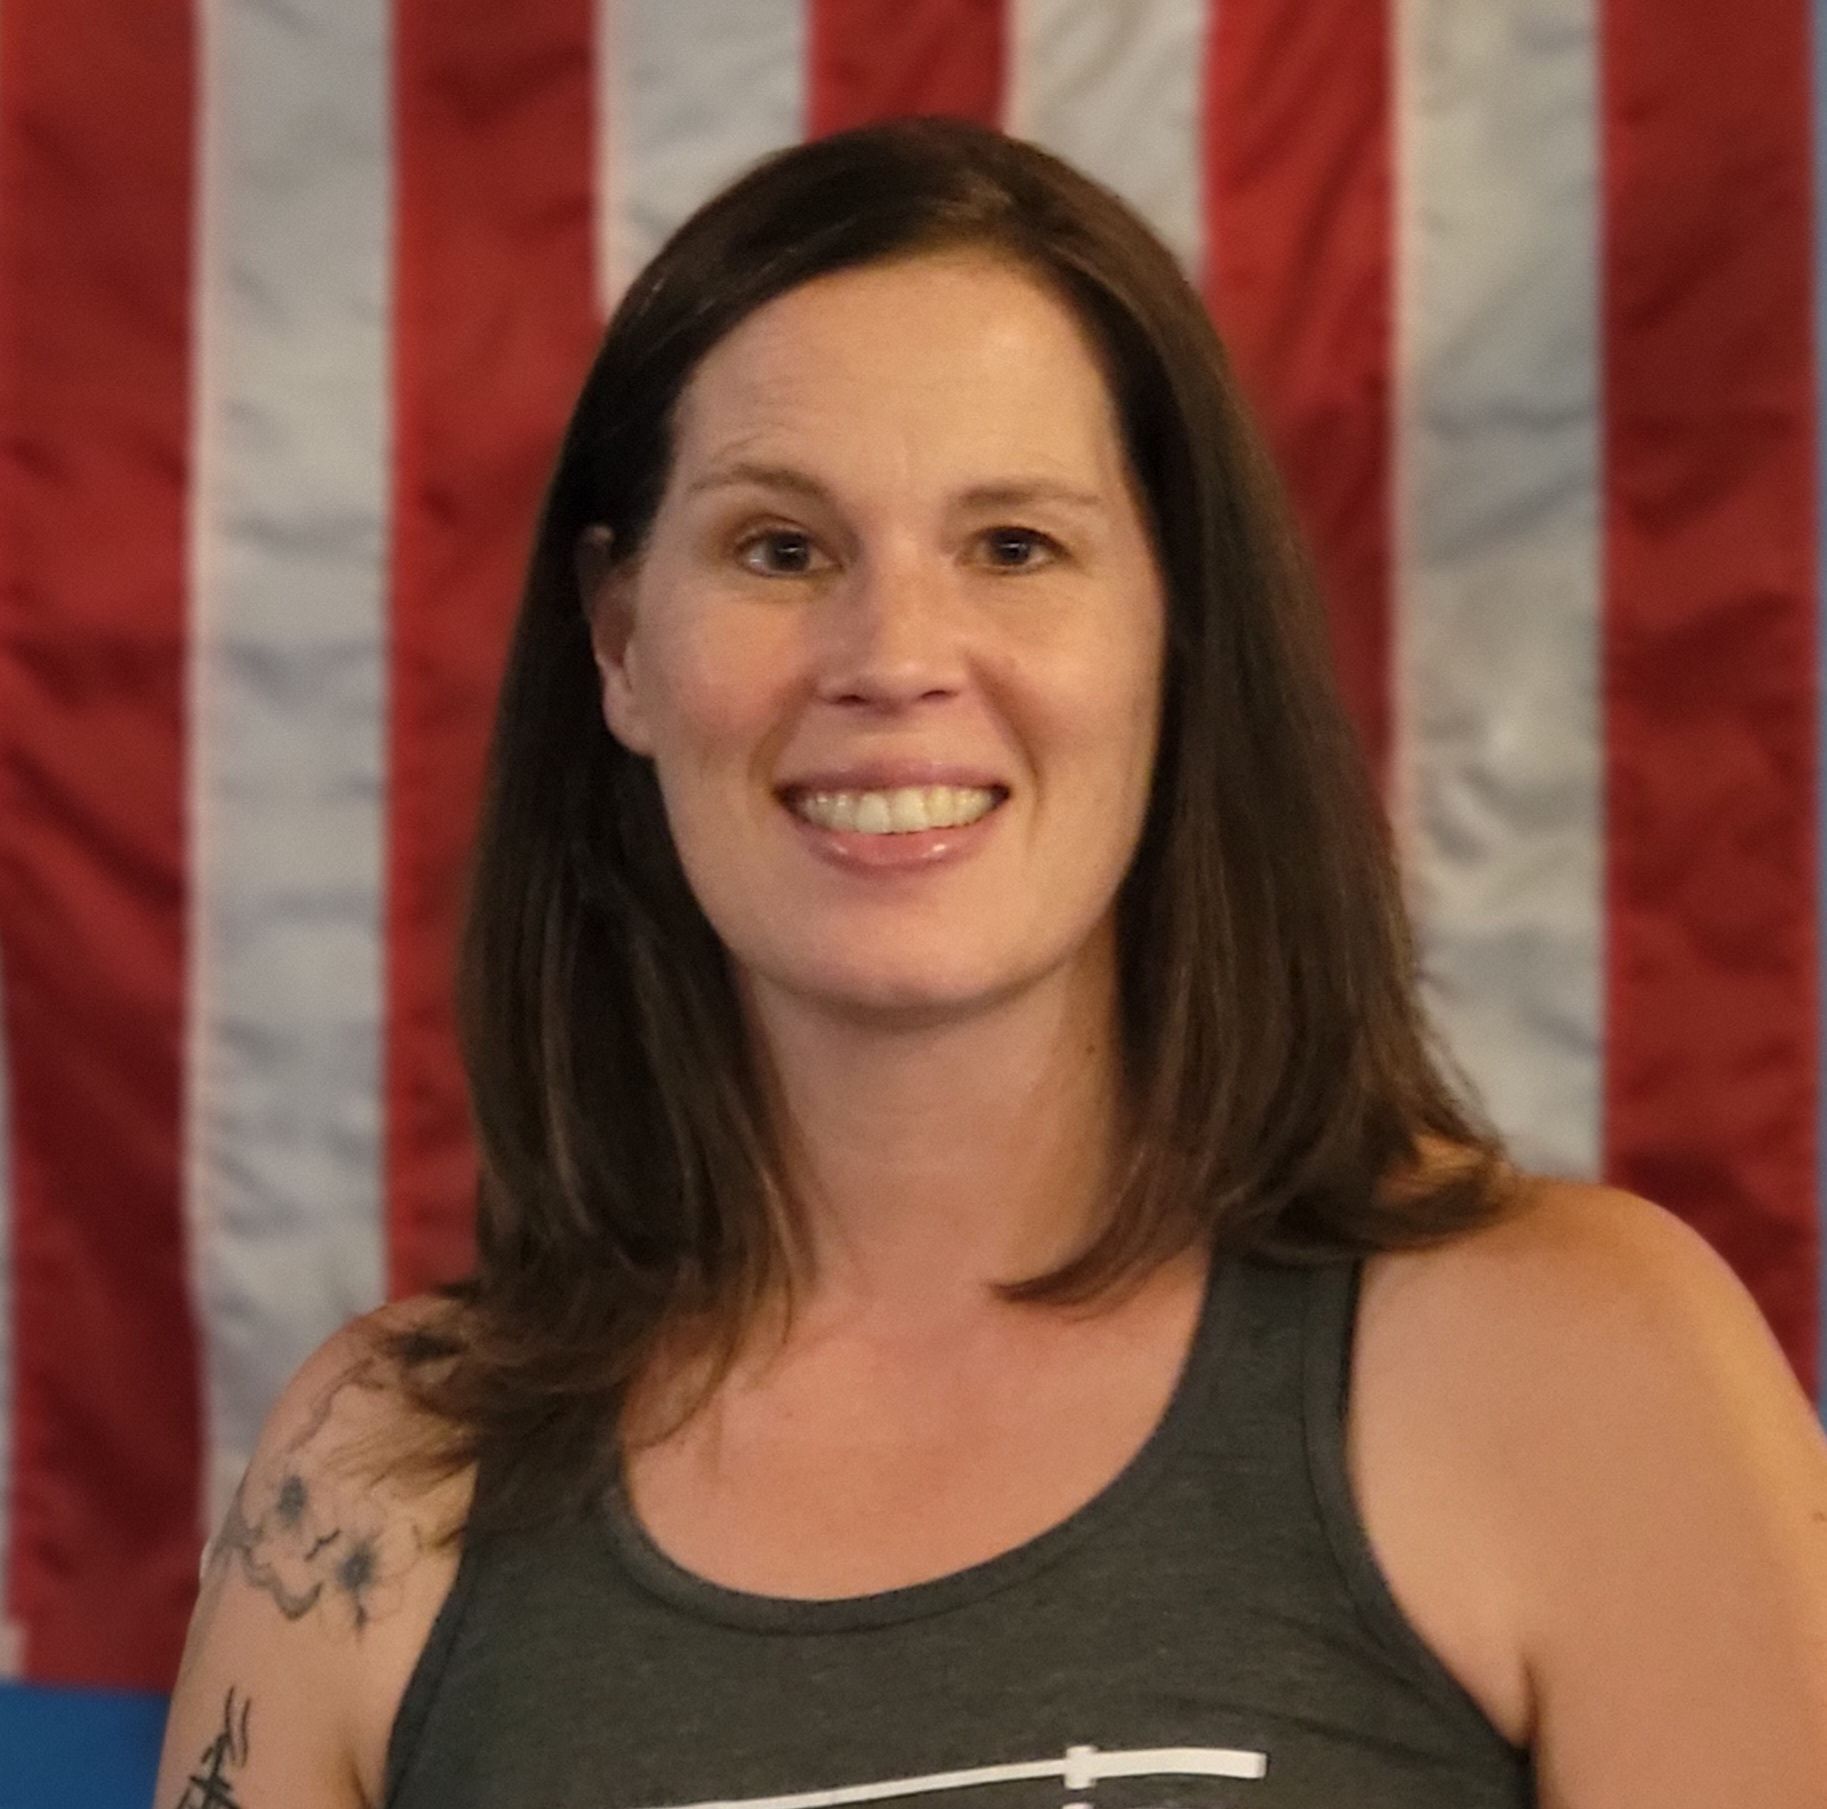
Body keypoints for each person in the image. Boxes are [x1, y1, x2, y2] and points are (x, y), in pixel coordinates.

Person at [154, 118, 1827, 1808]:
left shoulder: (1587, 1371)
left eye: (1015, 546)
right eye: (780, 548)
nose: (893, 656)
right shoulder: (374, 1488)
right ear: (620, 639)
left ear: (1174, 626)